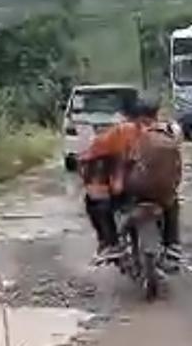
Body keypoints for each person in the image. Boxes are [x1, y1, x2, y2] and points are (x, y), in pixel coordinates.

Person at [78, 94, 183, 266]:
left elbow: (91, 154)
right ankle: (172, 244)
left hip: (128, 190)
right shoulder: (168, 130)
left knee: (94, 201)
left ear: (129, 114)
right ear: (156, 113)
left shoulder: (120, 131)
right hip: (160, 192)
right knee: (172, 201)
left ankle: (111, 244)